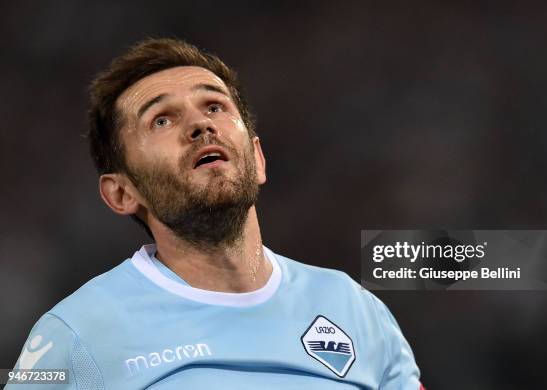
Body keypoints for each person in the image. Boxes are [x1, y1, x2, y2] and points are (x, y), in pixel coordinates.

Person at [8, 38, 423, 389]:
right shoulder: (76, 334)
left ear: (257, 158)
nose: (200, 125)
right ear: (122, 192)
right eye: (161, 119)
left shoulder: (355, 308)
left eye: (214, 107)